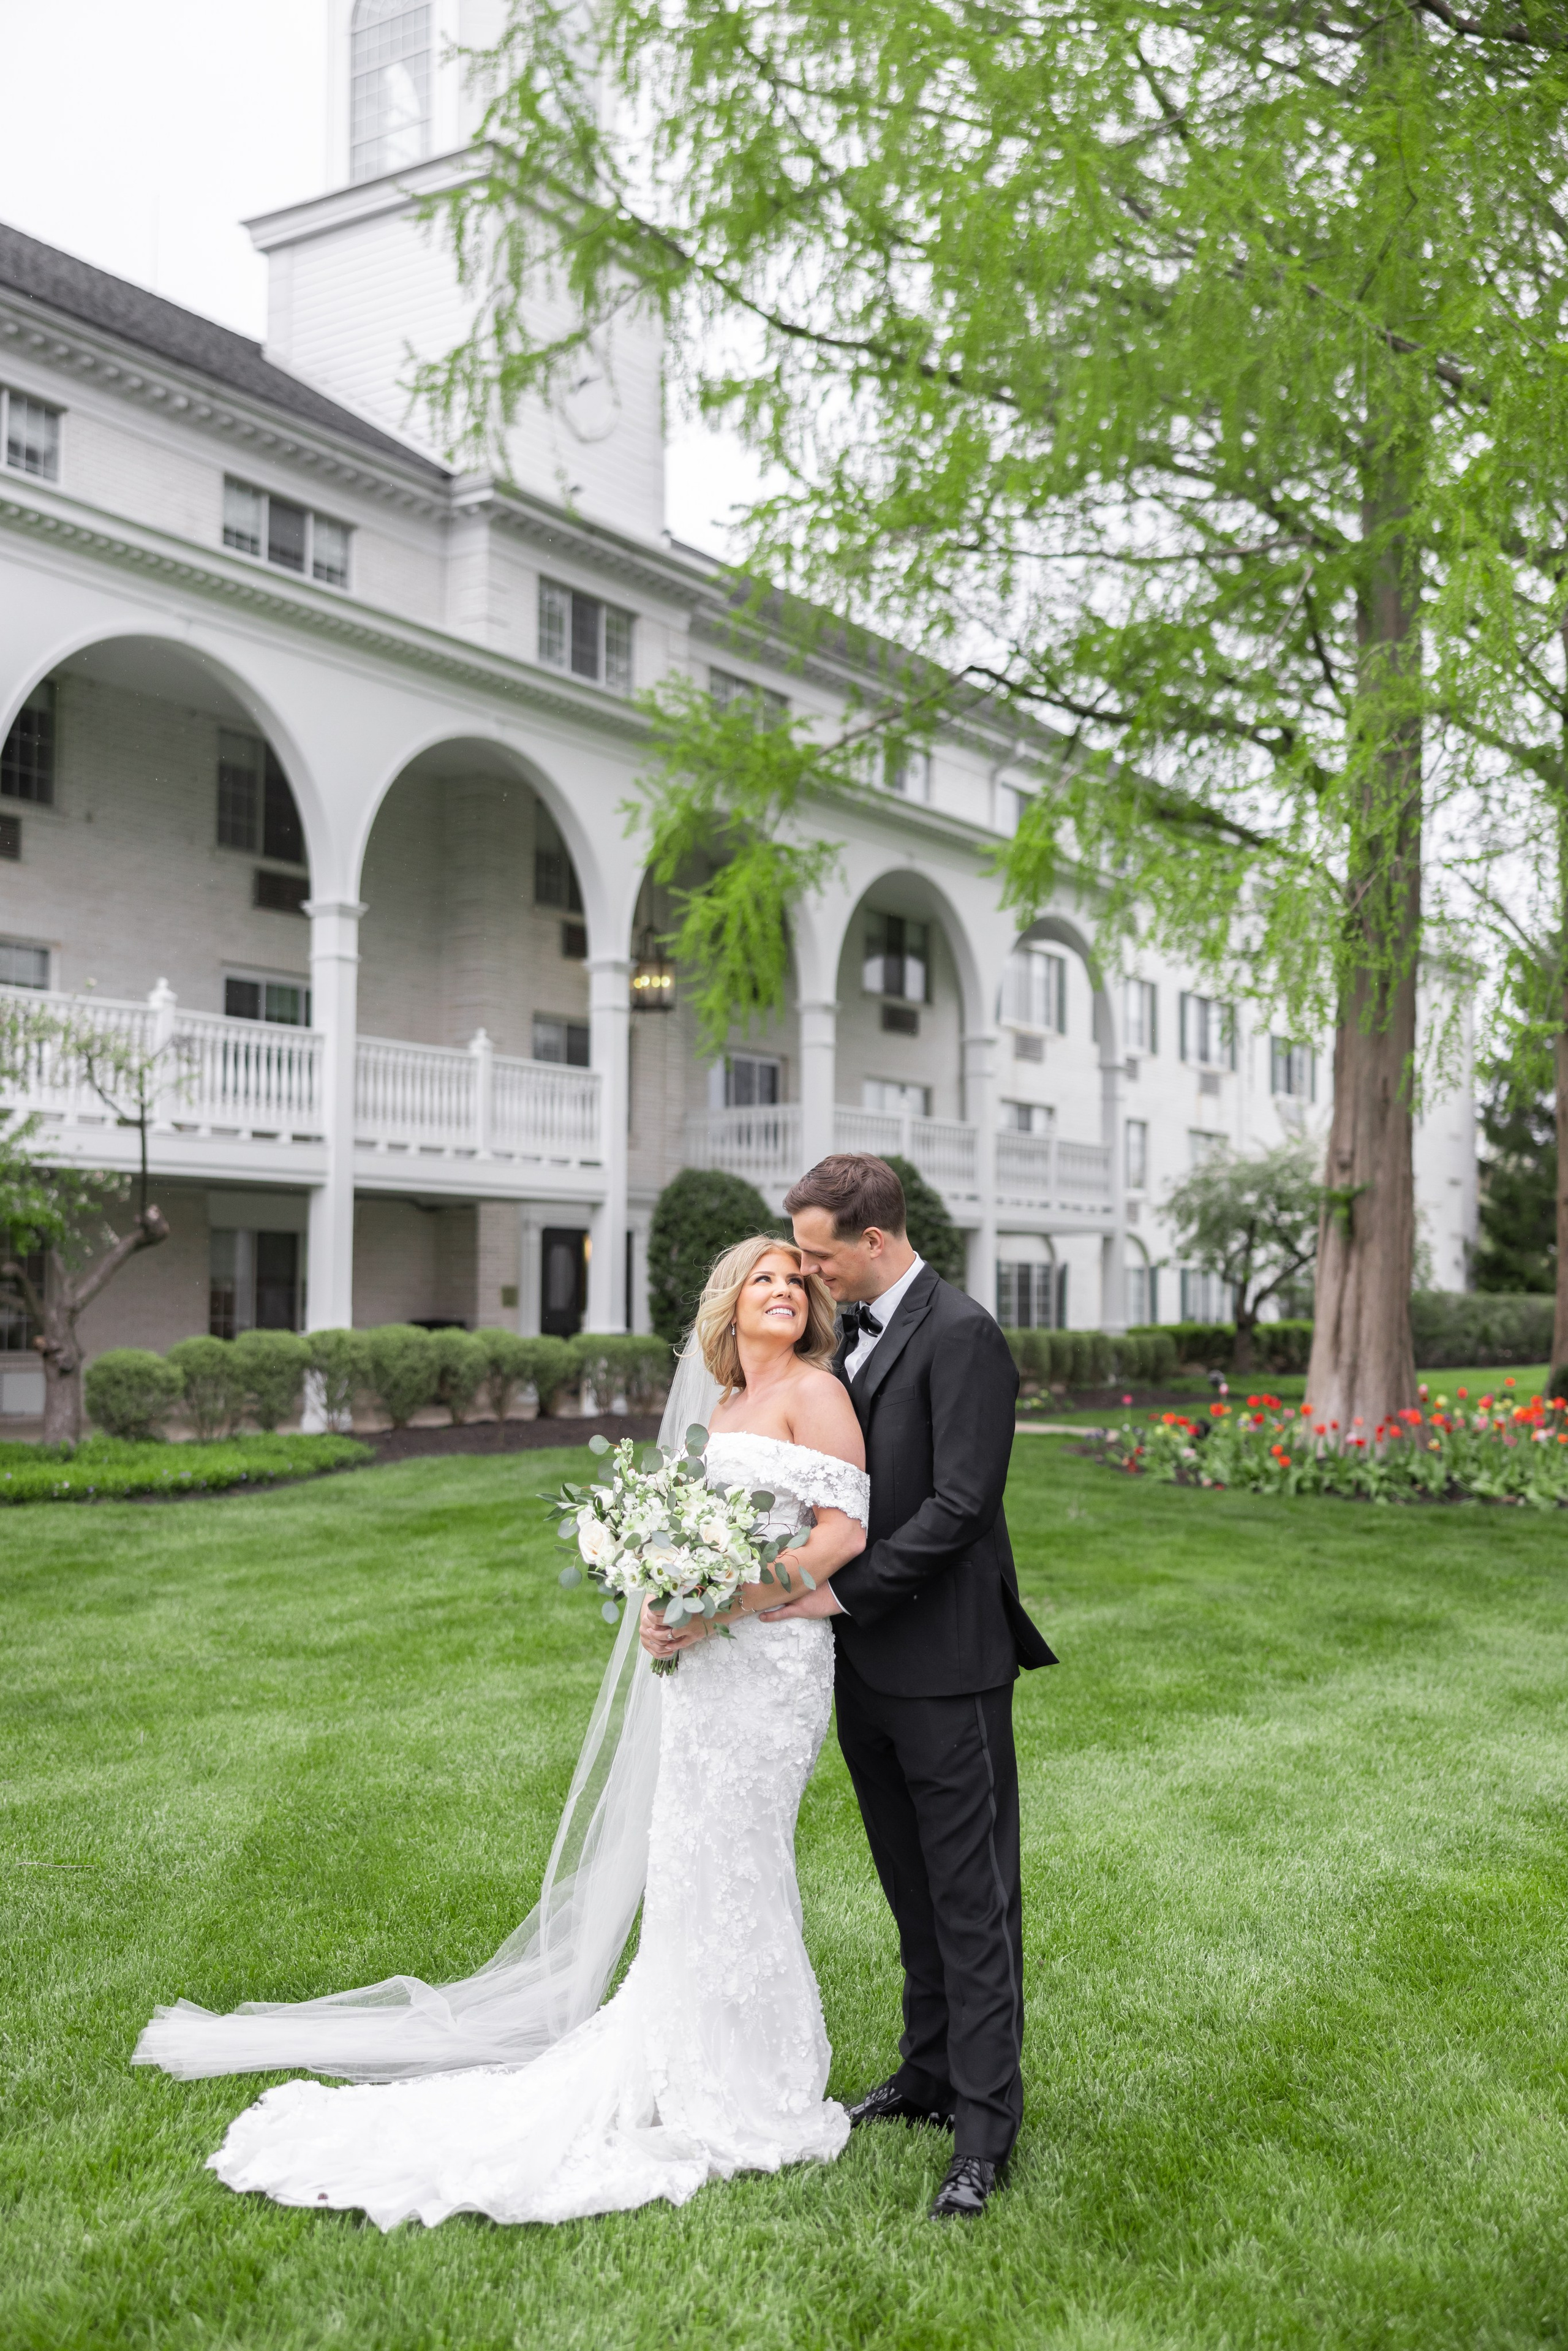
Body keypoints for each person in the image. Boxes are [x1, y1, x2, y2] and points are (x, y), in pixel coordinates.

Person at [132, 1236, 870, 2230]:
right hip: (705, 1664)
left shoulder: (818, 1392)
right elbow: (683, 1536)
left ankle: (748, 2078)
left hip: (772, 1665)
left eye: (796, 1280)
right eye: (762, 1279)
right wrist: (666, 1602)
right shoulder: (725, 1404)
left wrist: (724, 1601)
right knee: (691, 1855)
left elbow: (840, 1534)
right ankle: (691, 2057)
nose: (782, 1291)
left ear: (812, 1307)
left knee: (741, 1853)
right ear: (730, 1305)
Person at [774, 1153, 1057, 2219]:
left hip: (947, 1666)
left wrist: (843, 1598)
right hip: (864, 1673)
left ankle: (986, 2131)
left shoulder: (964, 1332)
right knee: (910, 1888)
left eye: (817, 1253)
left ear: (875, 1243)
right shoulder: (841, 1335)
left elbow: (959, 1505)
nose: (805, 1272)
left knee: (973, 1898)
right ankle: (929, 2072)